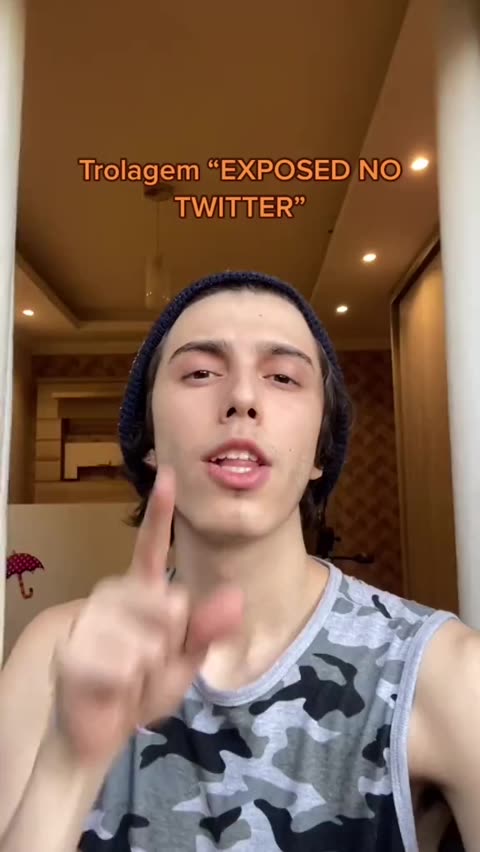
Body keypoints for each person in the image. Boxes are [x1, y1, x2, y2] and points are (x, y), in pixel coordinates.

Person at [0, 271, 476, 852]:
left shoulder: (443, 671)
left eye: (283, 377)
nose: (243, 398)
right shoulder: (55, 652)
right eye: (201, 372)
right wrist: (68, 764)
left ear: (320, 451)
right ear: (149, 440)